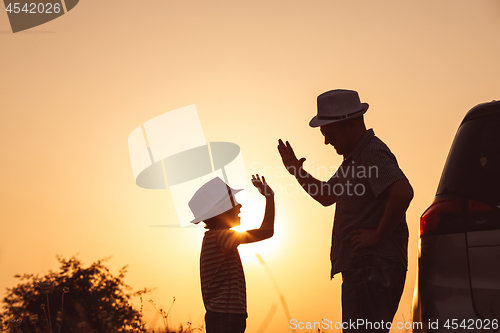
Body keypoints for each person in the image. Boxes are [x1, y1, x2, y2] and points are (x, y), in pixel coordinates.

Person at [278, 89, 414, 332]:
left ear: (351, 125)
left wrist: (378, 235)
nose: (326, 141)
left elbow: (403, 192)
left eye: (329, 134)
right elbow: (327, 195)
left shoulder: (372, 152)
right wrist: (295, 171)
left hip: (370, 265)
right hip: (364, 267)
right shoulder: (354, 160)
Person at [189, 175, 275, 333]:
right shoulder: (220, 237)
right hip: (225, 316)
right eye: (233, 202)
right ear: (220, 212)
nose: (240, 205)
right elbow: (266, 232)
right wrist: (269, 197)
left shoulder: (216, 237)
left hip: (226, 314)